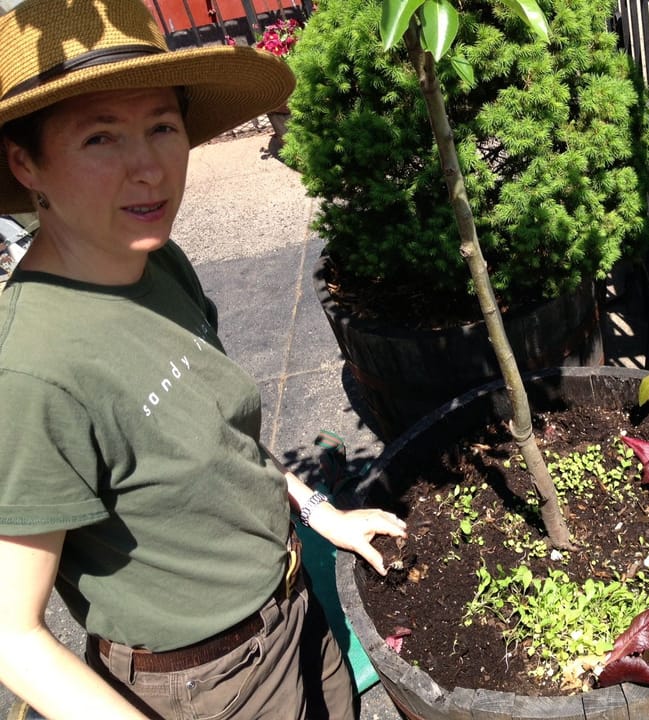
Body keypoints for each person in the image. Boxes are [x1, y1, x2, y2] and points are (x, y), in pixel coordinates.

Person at [0, 0, 407, 718]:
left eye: (163, 126)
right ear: (25, 161)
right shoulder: (30, 371)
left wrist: (318, 512)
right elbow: (13, 637)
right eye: (101, 138)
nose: (148, 167)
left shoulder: (157, 263)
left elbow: (222, 440)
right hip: (207, 683)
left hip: (291, 610)